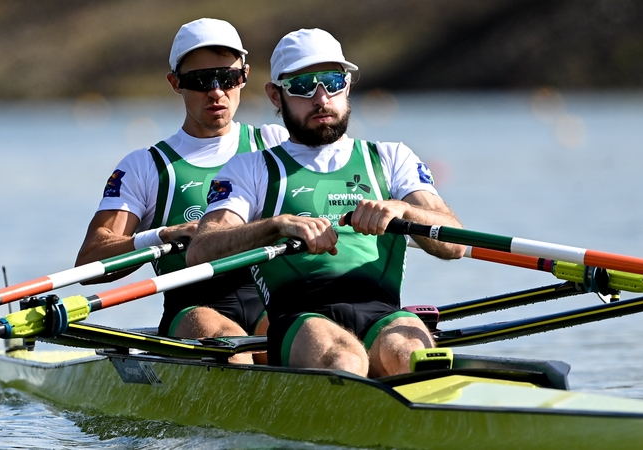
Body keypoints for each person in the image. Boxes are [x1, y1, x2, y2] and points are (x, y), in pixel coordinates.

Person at [186, 28, 466, 377]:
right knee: (344, 360)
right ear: (276, 95)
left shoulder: (392, 158)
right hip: (300, 317)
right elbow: (201, 250)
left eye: (333, 81)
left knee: (410, 353)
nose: (321, 98)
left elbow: (455, 246)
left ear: (347, 85)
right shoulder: (250, 168)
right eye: (304, 86)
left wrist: (404, 210)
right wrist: (276, 225)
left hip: (382, 311)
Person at [75, 18, 288, 363]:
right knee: (231, 345)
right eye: (201, 80)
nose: (217, 91)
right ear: (176, 83)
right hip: (193, 309)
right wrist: (161, 235)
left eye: (228, 78)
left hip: (272, 298)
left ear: (245, 76)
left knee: (284, 340)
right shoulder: (147, 166)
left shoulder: (276, 145)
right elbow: (89, 260)